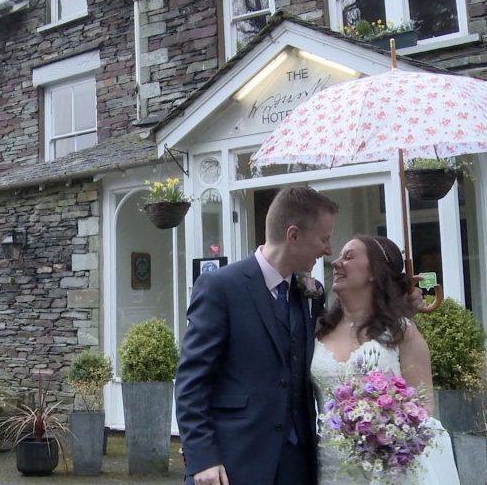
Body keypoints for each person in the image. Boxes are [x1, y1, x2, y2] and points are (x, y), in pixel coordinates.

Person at [176, 186, 339, 485]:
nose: (328, 250)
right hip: (233, 461)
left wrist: (400, 307)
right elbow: (192, 382)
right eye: (324, 239)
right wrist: (203, 459)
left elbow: (339, 334)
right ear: (293, 235)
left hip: (297, 465)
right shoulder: (220, 287)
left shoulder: (312, 294)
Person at [311, 235, 460, 484]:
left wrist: (383, 431)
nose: (336, 263)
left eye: (348, 257)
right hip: (329, 469)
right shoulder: (318, 328)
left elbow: (423, 411)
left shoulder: (402, 333)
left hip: (387, 471)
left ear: (374, 273)